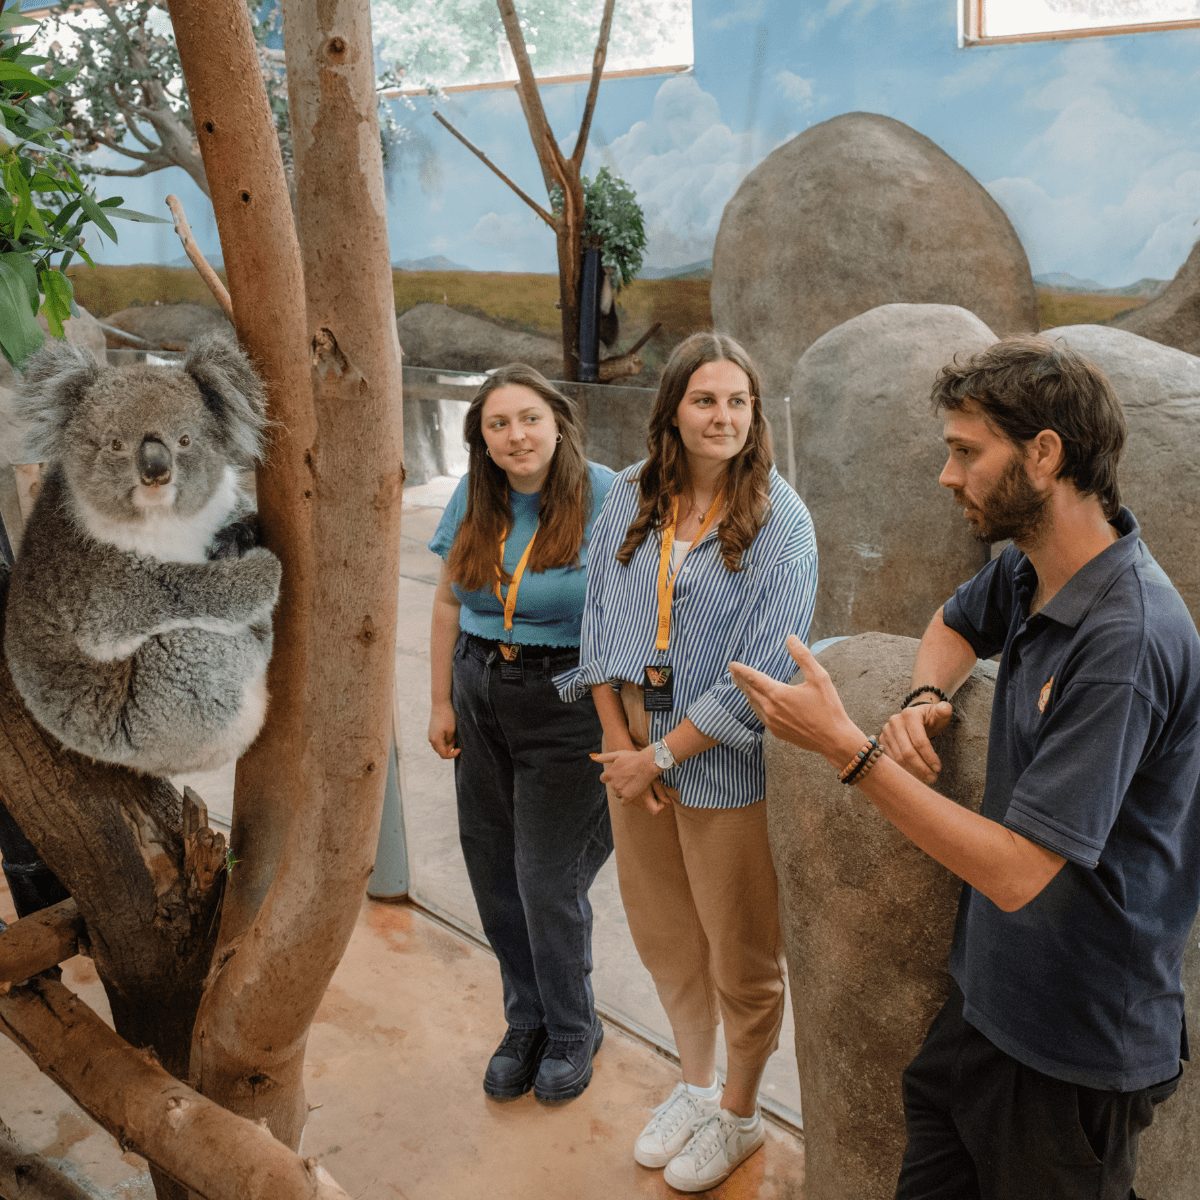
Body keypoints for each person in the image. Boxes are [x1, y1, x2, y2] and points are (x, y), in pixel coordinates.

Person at [731, 335, 1200, 1199]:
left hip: (1077, 1048)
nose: (948, 476)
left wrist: (850, 749)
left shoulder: (1128, 640)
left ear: (1045, 455)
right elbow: (950, 626)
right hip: (986, 1007)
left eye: (966, 452)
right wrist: (919, 700)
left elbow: (1023, 872)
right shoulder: (1031, 571)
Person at [556, 332, 818, 1192]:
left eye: (738, 401)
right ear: (672, 408)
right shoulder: (632, 495)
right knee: (667, 935)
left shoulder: (782, 518)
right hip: (630, 747)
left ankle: (739, 1114)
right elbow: (596, 625)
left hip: (720, 756)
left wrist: (662, 752)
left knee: (741, 948)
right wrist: (622, 748)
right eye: (706, 400)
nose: (724, 417)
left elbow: (765, 670)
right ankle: (695, 1084)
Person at [427, 363, 616, 1103]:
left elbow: (637, 609)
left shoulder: (603, 492)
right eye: (498, 423)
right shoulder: (477, 493)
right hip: (478, 687)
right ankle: (527, 1018)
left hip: (565, 694)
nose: (516, 435)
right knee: (493, 870)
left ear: (558, 420)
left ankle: (574, 1028)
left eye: (529, 418)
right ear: (482, 436)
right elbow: (448, 602)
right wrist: (440, 702)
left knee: (547, 879)